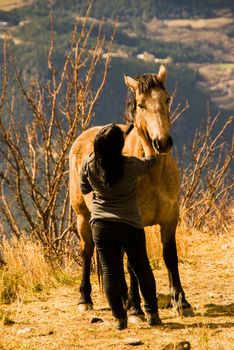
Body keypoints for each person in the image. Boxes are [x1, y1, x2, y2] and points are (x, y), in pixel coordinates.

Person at [79, 118, 161, 330]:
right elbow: (153, 161)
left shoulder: (89, 163)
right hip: (130, 225)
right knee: (142, 268)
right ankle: (152, 314)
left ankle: (119, 319)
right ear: (119, 146)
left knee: (110, 272)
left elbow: (84, 189)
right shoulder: (130, 164)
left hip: (101, 226)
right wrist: (144, 139)